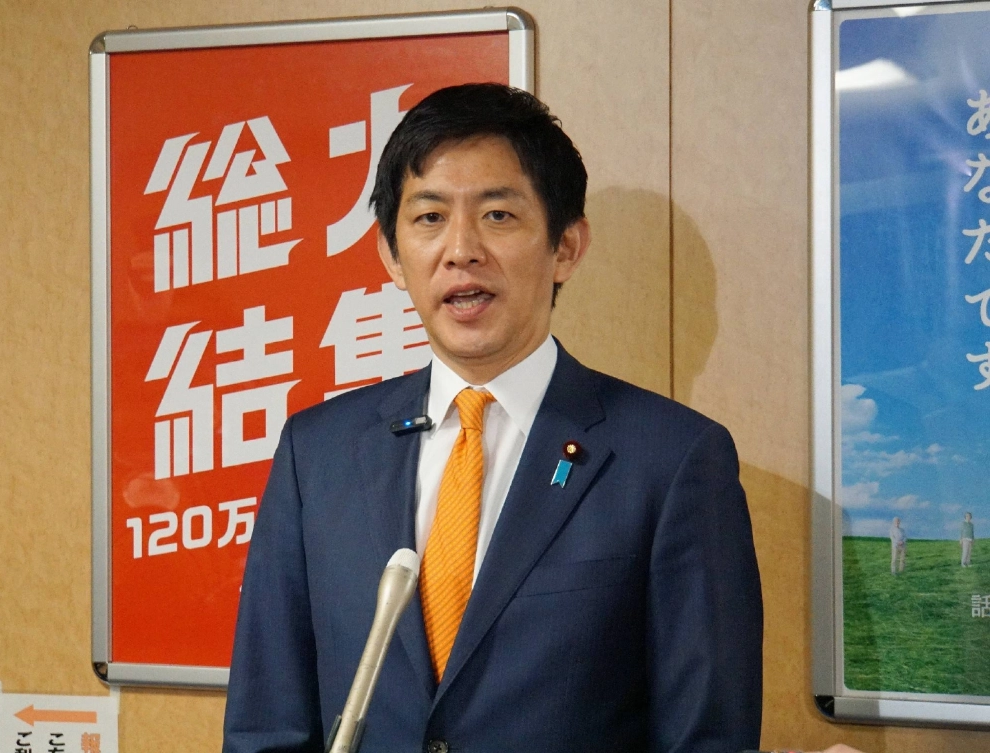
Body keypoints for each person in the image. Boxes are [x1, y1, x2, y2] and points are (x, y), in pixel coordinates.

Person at [223, 83, 762, 753]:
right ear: (392, 255)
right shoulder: (319, 452)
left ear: (566, 245)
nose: (461, 249)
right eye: (428, 219)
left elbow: (704, 739)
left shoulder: (673, 460)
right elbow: (265, 726)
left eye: (499, 216)